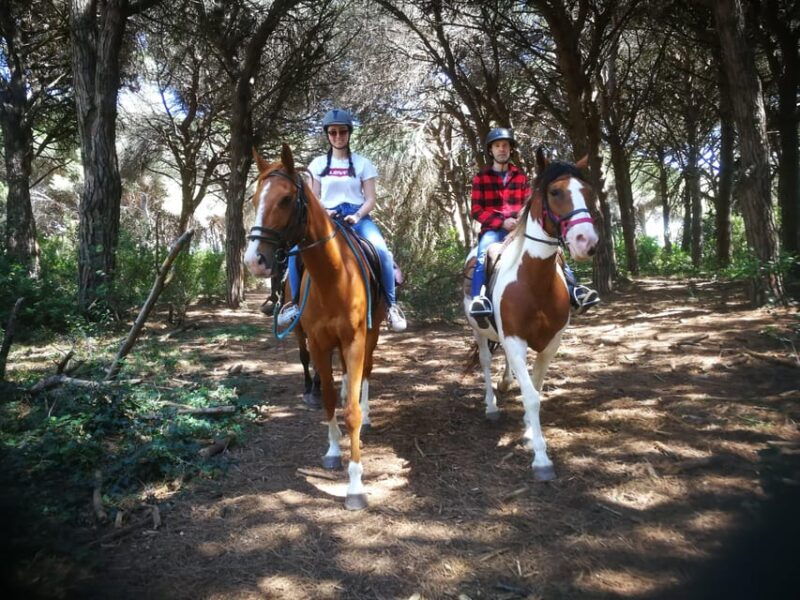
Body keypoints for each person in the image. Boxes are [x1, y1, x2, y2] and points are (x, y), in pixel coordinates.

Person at [277, 108, 407, 332]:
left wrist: (357, 215)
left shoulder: (363, 163)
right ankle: (292, 303)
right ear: (327, 135)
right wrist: (324, 211)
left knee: (382, 251)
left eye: (342, 132)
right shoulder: (317, 164)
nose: (338, 136)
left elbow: (371, 198)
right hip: (326, 216)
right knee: (296, 251)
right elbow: (313, 197)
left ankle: (391, 306)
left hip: (357, 216)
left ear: (349, 133)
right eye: (333, 132)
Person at [468, 127, 599, 319]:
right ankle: (479, 298)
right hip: (494, 230)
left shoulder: (520, 177)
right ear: (491, 150)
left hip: (520, 229)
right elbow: (477, 210)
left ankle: (574, 289)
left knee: (555, 250)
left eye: (505, 145)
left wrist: (519, 221)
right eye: (497, 146)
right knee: (483, 253)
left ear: (510, 149)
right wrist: (501, 222)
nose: (501, 149)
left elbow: (530, 204)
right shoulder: (481, 178)